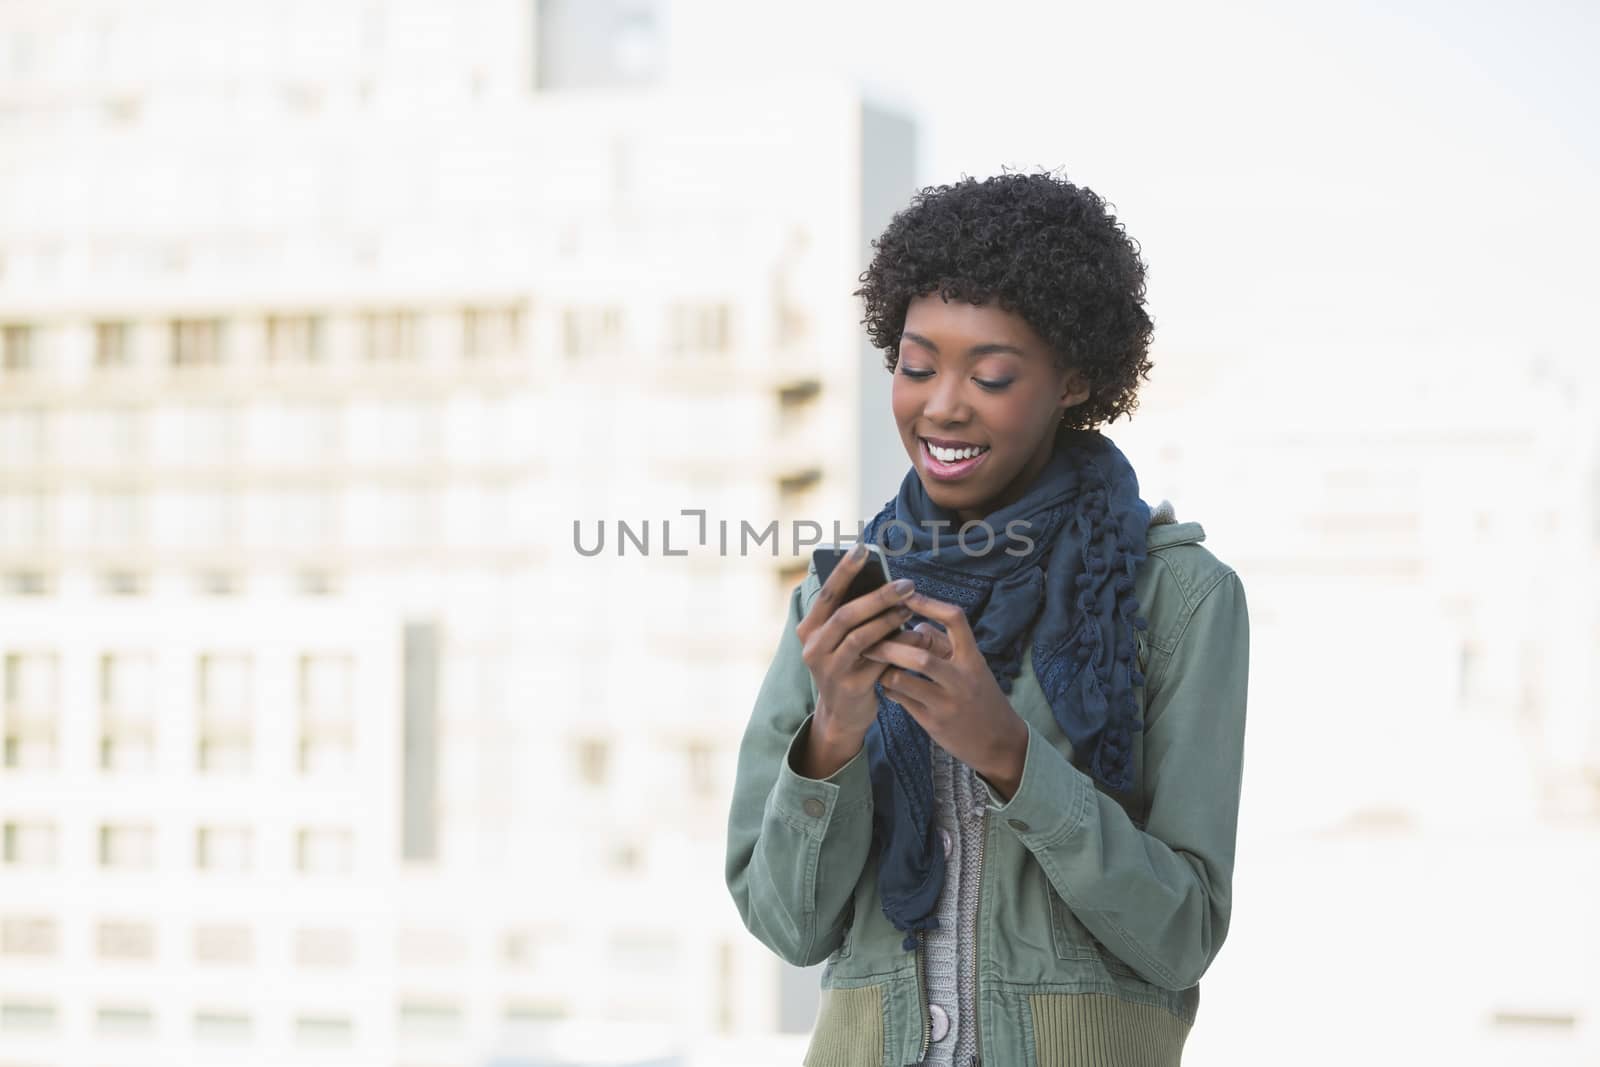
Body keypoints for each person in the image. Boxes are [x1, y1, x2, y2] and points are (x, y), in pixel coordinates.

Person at [724, 169, 1250, 1067]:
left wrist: (1009, 755)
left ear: (1076, 378)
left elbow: (1181, 933)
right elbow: (788, 924)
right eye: (917, 365)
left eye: (992, 373)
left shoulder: (1182, 596)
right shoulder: (839, 602)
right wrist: (836, 734)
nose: (942, 405)